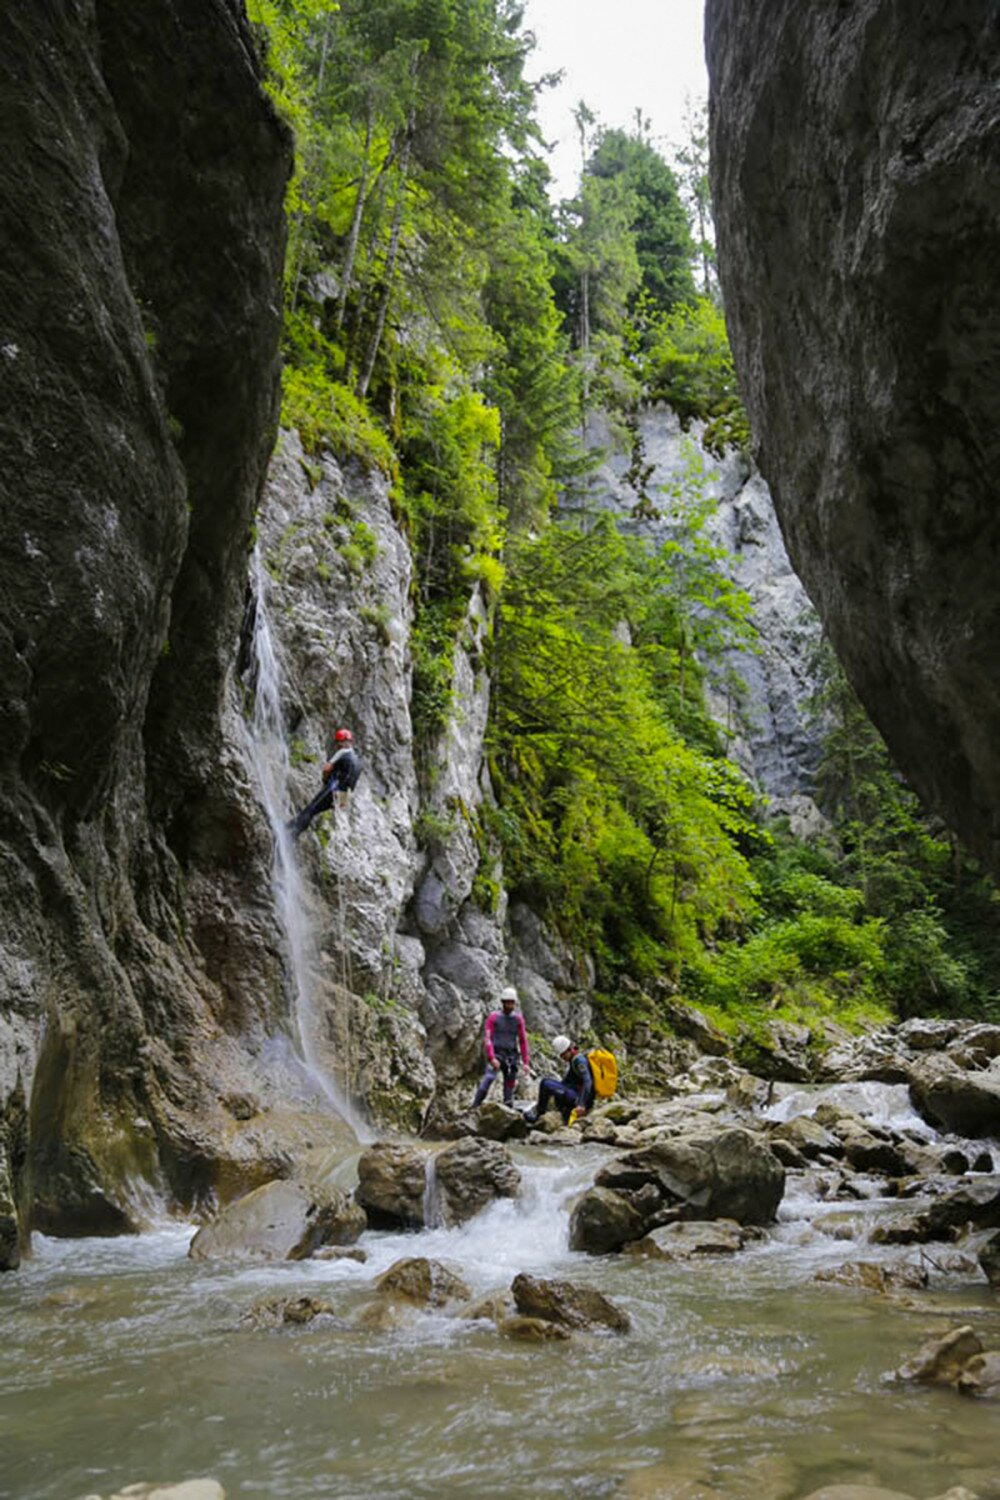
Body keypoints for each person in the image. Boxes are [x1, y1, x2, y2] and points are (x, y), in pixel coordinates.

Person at [288, 728, 362, 838]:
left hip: (334, 788)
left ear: (340, 742)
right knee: (314, 811)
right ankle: (291, 827)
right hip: (343, 796)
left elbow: (327, 769)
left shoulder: (342, 753)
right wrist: (342, 801)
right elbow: (351, 783)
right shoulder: (358, 760)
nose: (337, 746)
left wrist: (325, 780)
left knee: (311, 809)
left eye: (338, 743)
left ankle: (291, 834)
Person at [472, 985, 530, 1108]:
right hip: (497, 1054)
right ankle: (474, 1106)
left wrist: (526, 1062)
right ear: (502, 1002)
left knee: (509, 1085)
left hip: (511, 1056)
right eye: (507, 1002)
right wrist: (492, 1057)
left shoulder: (518, 1019)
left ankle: (508, 1109)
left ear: (515, 1003)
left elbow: (523, 1041)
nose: (509, 1005)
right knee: (488, 1079)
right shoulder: (493, 1018)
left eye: (511, 1003)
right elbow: (488, 1039)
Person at [522, 1035, 594, 1125]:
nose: (562, 1058)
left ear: (568, 1050)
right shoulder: (574, 1059)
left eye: (563, 1055)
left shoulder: (579, 1061)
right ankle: (564, 1115)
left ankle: (538, 1115)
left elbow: (588, 1081)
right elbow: (566, 1082)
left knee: (545, 1084)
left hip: (579, 1099)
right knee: (554, 1089)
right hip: (576, 1095)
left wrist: (581, 1104)